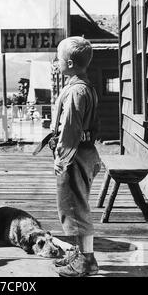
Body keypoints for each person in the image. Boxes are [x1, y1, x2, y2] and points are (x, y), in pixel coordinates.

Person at [51, 37, 101, 277]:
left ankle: (86, 261)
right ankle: (78, 252)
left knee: (75, 208)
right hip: (86, 153)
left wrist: (61, 159)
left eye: (58, 58)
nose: (56, 62)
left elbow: (70, 129)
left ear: (69, 63)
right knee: (77, 205)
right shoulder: (85, 86)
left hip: (75, 156)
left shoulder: (76, 92)